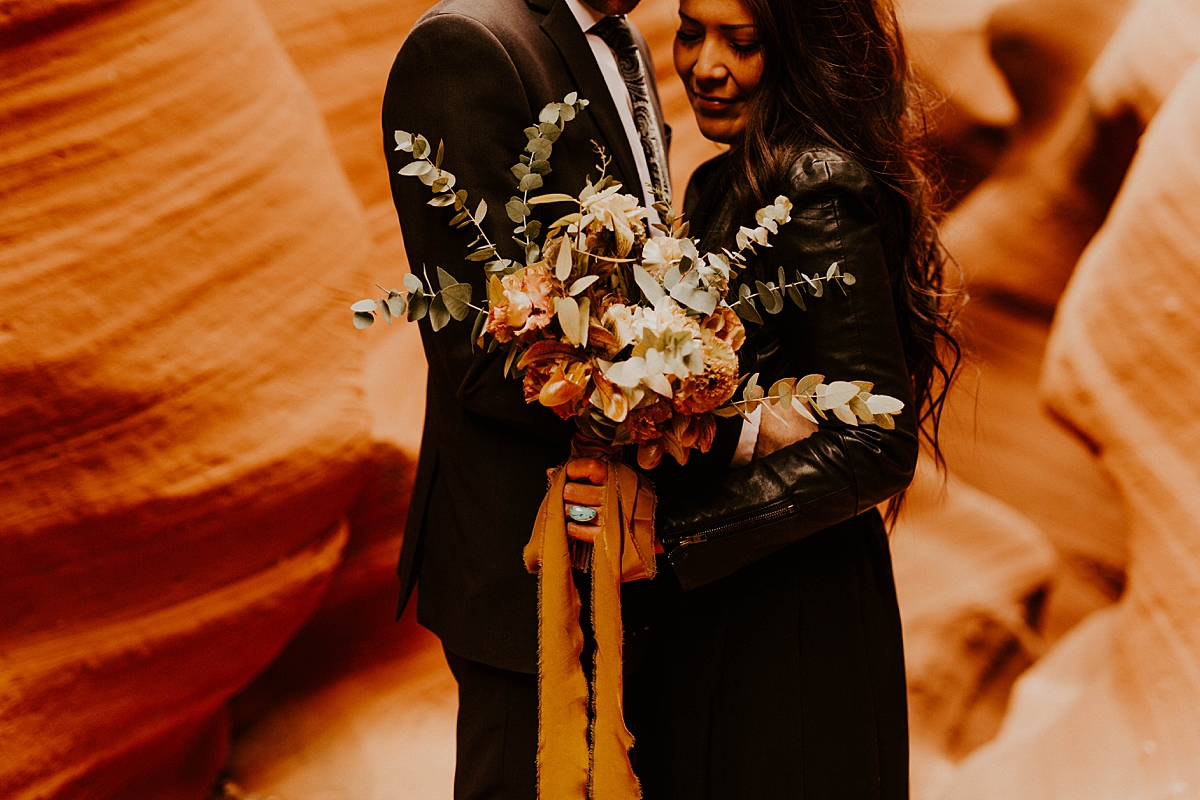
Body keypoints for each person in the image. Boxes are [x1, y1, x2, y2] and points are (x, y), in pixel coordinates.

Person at [563, 0, 960, 796]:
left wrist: (672, 539)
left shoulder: (814, 184)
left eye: (742, 43)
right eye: (689, 30)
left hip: (790, 622)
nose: (706, 65)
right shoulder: (723, 181)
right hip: (737, 599)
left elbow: (876, 441)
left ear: (802, 51)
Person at [381, 0, 729, 797]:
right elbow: (477, 343)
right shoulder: (466, 46)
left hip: (618, 542)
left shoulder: (626, 38)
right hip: (523, 552)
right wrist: (658, 417)